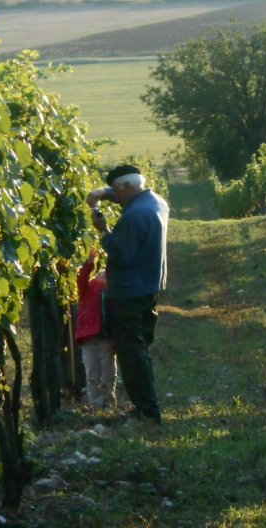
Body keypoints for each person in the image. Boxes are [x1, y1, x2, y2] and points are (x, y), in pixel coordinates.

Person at [87, 164, 169, 423]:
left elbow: (121, 255)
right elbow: (127, 193)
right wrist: (105, 193)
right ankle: (148, 403)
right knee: (142, 348)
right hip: (149, 285)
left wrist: (104, 231)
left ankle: (146, 411)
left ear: (126, 187)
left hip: (128, 293)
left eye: (117, 192)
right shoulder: (156, 202)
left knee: (130, 353)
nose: (116, 197)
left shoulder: (133, 217)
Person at [75, 247, 117, 411]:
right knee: (92, 373)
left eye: (107, 275)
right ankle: (95, 404)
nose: (103, 276)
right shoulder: (88, 288)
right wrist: (89, 264)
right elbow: (81, 279)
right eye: (101, 273)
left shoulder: (113, 292)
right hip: (88, 338)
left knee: (108, 373)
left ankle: (108, 403)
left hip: (107, 338)